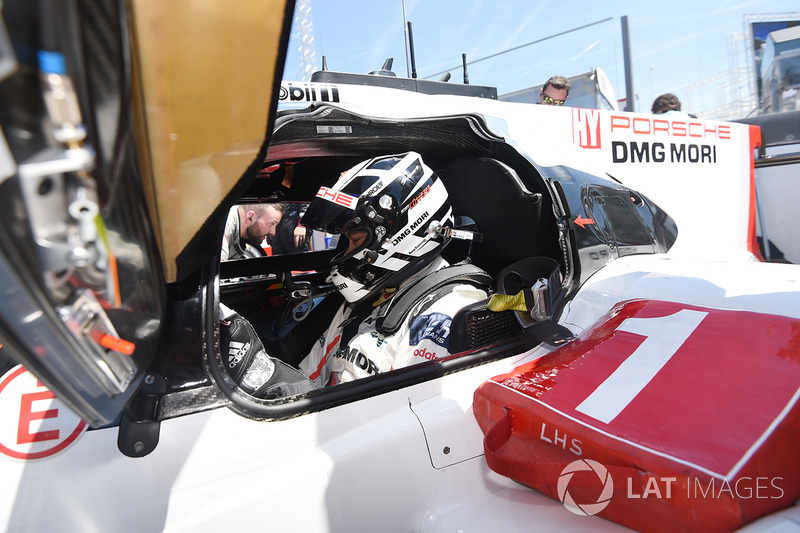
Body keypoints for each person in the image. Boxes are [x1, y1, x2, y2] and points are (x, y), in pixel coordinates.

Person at [294, 151, 491, 387]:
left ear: (398, 236)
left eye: (355, 241)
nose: (346, 253)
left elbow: (408, 415)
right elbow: (307, 379)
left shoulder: (444, 311)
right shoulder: (364, 300)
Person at [218, 201, 318, 399]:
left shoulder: (239, 235)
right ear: (250, 217)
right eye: (272, 223)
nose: (273, 232)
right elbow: (210, 290)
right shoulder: (223, 226)